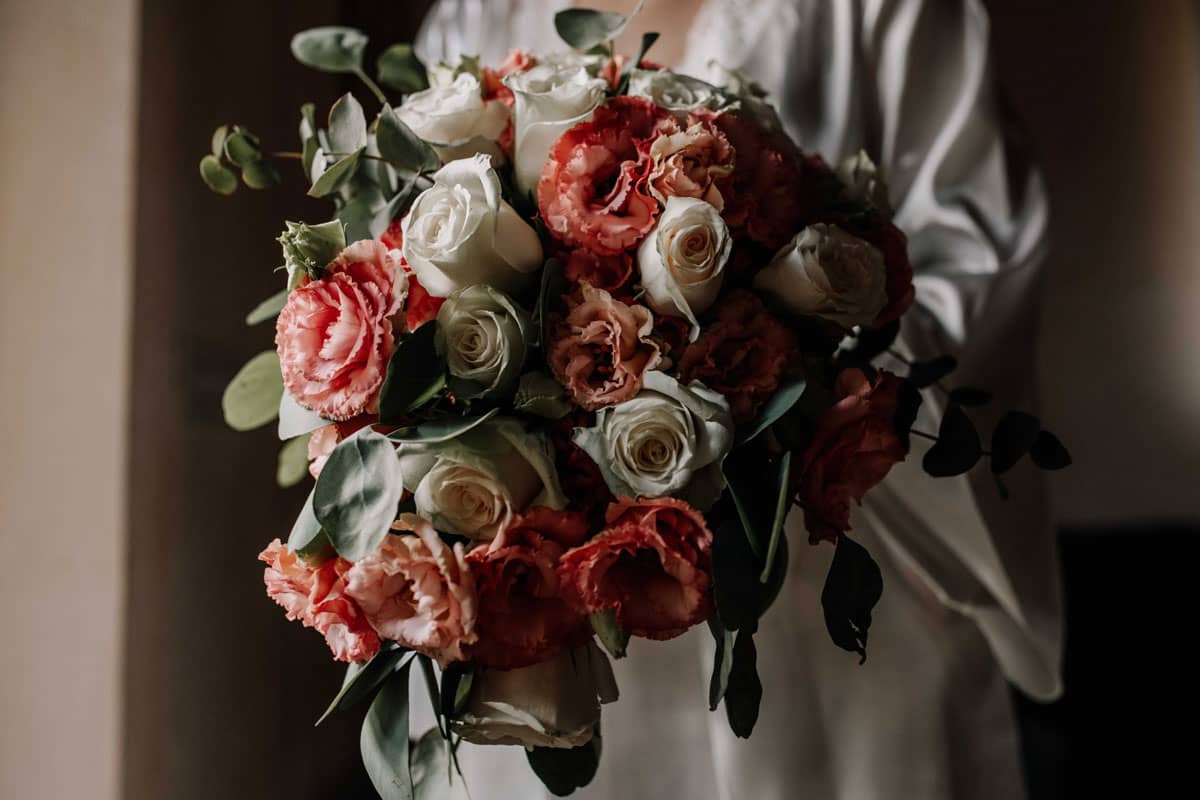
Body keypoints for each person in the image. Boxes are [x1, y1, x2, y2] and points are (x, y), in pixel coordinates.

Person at [411, 2, 1062, 798]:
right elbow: (410, 233)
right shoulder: (476, 13)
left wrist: (772, 379)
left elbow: (977, 259)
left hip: (818, 593)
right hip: (548, 603)